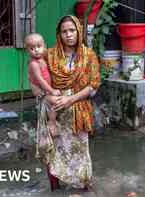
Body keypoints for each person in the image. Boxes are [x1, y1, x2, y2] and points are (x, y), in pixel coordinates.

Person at [31, 15, 101, 191]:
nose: (69, 35)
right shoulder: (49, 55)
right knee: (53, 151)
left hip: (77, 112)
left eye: (72, 30)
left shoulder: (89, 55)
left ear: (79, 31)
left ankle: (84, 188)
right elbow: (34, 80)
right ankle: (55, 188)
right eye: (64, 31)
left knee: (80, 152)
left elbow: (93, 85)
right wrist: (46, 97)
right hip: (52, 111)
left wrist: (70, 99)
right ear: (58, 34)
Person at [25, 33, 61, 137]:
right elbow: (40, 80)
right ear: (28, 50)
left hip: (46, 89)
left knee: (54, 102)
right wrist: (51, 90)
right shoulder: (34, 64)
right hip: (42, 91)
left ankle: (52, 119)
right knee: (54, 102)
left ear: (44, 46)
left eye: (38, 46)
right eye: (32, 48)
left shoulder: (43, 57)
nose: (36, 50)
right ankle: (52, 122)